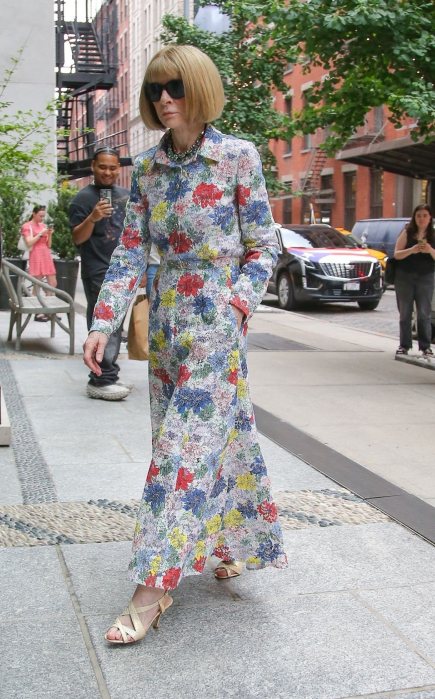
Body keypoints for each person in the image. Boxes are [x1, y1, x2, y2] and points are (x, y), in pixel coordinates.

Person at [83, 44, 287, 645]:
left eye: (173, 87)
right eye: (153, 91)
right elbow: (128, 252)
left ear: (198, 88)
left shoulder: (236, 157)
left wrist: (238, 306)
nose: (163, 99)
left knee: (180, 452)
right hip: (169, 331)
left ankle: (154, 586)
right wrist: (103, 322)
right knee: (219, 439)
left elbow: (263, 247)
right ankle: (232, 543)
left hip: (218, 329)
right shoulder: (146, 169)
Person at [70, 148, 131, 401]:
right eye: (102, 166)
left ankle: (106, 375)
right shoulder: (82, 199)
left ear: (119, 168)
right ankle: (101, 379)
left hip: (123, 271)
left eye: (112, 167)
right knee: (104, 325)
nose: (108, 172)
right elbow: (77, 238)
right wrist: (93, 218)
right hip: (97, 270)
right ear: (93, 166)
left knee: (115, 325)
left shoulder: (127, 196)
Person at [394, 203, 435, 356]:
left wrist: (430, 250)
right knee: (405, 313)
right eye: (419, 215)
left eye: (425, 216)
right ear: (414, 218)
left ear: (430, 218)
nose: (421, 219)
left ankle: (425, 346)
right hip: (405, 277)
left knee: (424, 313)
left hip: (425, 278)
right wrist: (412, 250)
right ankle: (404, 345)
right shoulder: (407, 232)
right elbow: (397, 254)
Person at [22, 205, 56, 322]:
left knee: (52, 282)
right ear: (34, 214)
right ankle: (38, 312)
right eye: (40, 216)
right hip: (36, 253)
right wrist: (40, 234)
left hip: (45, 253)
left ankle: (49, 310)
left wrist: (49, 233)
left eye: (43, 216)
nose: (42, 218)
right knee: (37, 283)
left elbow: (49, 245)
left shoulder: (43, 226)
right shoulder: (27, 226)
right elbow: (29, 242)